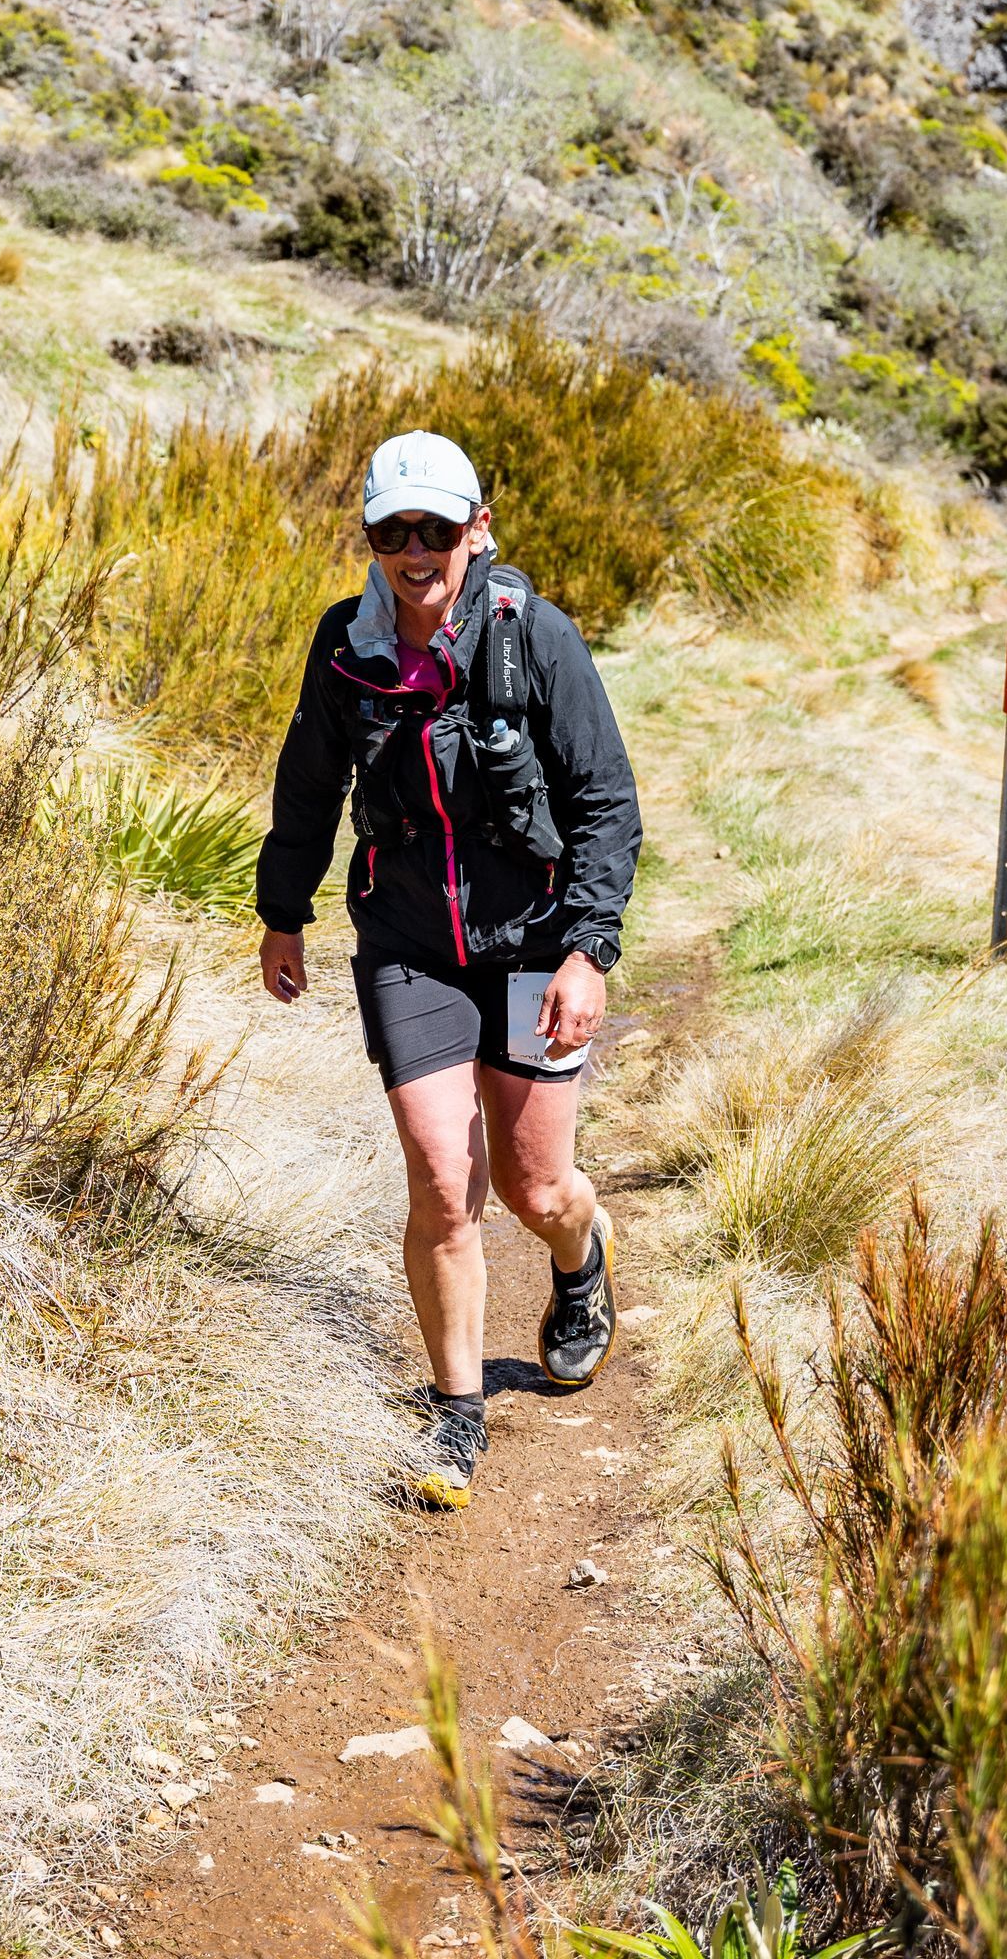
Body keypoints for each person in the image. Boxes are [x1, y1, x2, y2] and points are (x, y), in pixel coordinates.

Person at [256, 429, 642, 1509]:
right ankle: (456, 1417)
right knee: (440, 1180)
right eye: (392, 530)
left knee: (535, 1187)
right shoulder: (347, 648)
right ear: (371, 538)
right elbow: (308, 786)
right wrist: (282, 916)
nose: (415, 550)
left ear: (478, 528)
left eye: (436, 528)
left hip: (531, 947)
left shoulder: (537, 639)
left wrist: (588, 950)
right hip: (408, 947)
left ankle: (581, 1259)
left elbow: (607, 804)